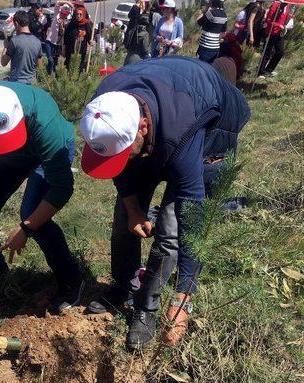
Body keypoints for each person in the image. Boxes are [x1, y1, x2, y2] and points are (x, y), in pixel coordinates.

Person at [79, 57, 250, 350]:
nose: (118, 160)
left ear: (142, 126)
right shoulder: (105, 107)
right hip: (163, 106)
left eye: (122, 151)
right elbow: (118, 169)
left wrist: (185, 297)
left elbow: (192, 219)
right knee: (123, 218)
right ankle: (124, 286)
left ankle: (147, 307)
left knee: (171, 225)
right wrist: (134, 210)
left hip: (211, 122)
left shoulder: (183, 130)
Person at [0, 82, 85, 311]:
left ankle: (71, 280)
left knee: (32, 213)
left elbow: (62, 188)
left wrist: (26, 227)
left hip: (44, 153)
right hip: (5, 158)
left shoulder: (45, 123)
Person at [1, 10, 42, 83]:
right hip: (32, 83)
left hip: (17, 83)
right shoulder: (37, 42)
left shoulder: (14, 41)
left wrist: (5, 46)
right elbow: (40, 67)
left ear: (16, 23)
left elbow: (3, 63)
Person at [257, 0, 294, 78]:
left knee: (280, 52)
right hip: (271, 32)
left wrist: (285, 25)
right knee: (266, 52)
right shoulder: (276, 5)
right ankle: (260, 71)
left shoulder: (287, 6)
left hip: (280, 33)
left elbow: (285, 19)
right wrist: (278, 25)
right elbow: (268, 19)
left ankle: (268, 70)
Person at [124, 0, 152, 64]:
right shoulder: (139, 8)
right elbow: (146, 51)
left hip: (133, 28)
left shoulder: (136, 7)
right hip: (135, 28)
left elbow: (129, 16)